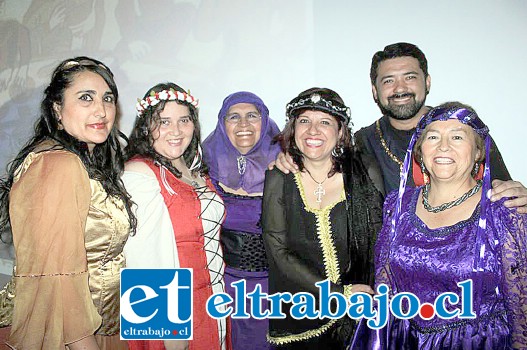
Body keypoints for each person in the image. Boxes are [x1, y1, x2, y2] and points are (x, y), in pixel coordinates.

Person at [274, 42, 527, 213]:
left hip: (468, 265)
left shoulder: (463, 128)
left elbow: (504, 191)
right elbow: (321, 165)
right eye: (388, 81)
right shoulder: (364, 140)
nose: (399, 89)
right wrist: (290, 156)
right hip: (399, 268)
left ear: (427, 82)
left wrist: (520, 197)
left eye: (409, 77)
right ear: (375, 91)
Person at [354, 102, 527, 349]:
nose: (443, 146)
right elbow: (385, 284)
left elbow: (524, 306)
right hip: (407, 341)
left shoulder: (505, 210)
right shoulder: (396, 205)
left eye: (457, 136)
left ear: (479, 151)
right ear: (420, 151)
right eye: (433, 136)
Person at [0, 56, 136, 349]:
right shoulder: (58, 164)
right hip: (72, 337)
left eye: (107, 98)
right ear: (57, 109)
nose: (101, 110)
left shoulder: (80, 161)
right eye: (86, 98)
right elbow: (58, 284)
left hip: (101, 324)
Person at [262, 88, 383, 349]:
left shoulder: (363, 173)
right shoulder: (278, 178)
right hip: (297, 315)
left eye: (325, 122)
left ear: (340, 132)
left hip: (355, 317)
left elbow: (379, 241)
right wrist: (340, 294)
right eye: (304, 121)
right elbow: (277, 252)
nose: (313, 131)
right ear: (293, 130)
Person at [122, 82, 228, 350]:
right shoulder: (140, 173)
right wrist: (168, 332)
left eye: (184, 120)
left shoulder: (198, 173)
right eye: (164, 122)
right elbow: (142, 262)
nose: (176, 131)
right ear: (146, 126)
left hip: (214, 300)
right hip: (173, 308)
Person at [203, 91, 280, 350]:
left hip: (274, 289)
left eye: (252, 116)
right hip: (221, 286)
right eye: (233, 117)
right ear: (222, 124)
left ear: (265, 121)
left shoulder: (287, 166)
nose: (243, 124)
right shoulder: (201, 166)